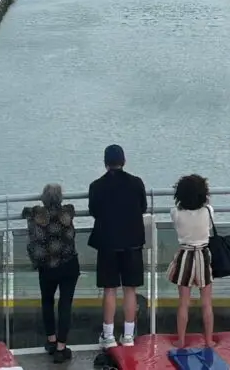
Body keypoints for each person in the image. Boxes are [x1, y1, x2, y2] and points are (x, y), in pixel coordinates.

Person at [88, 144, 147, 348]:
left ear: (105, 163)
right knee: (130, 290)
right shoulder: (136, 183)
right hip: (132, 243)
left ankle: (108, 335)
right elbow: (143, 207)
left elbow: (94, 211)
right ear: (124, 161)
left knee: (109, 289)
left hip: (107, 244)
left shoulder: (96, 186)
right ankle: (129, 336)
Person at [22, 184, 80, 363]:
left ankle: (51, 340)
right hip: (69, 265)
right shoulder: (67, 212)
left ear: (43, 198)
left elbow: (26, 212)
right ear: (61, 198)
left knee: (47, 302)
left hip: (47, 268)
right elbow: (71, 209)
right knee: (65, 304)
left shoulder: (36, 214)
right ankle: (62, 348)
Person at [167, 175, 214, 349]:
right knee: (207, 302)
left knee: (183, 302)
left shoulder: (176, 213)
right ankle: (209, 340)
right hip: (202, 254)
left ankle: (181, 340)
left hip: (185, 255)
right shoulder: (208, 211)